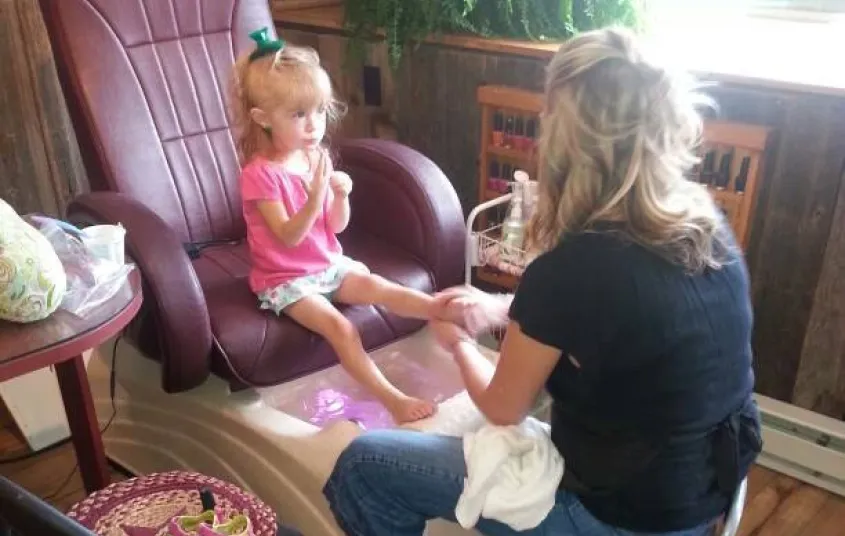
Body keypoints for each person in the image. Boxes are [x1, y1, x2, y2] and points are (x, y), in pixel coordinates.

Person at [322, 27, 763, 536]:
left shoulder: (573, 268)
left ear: (563, 139)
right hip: (711, 494)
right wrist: (499, 305)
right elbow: (617, 313)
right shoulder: (704, 220)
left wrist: (458, 342)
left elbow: (502, 408)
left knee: (364, 465)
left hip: (622, 517)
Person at [229, 28, 463, 424]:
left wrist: (340, 197)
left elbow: (335, 229)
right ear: (262, 119)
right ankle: (393, 400)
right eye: (298, 114)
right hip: (285, 279)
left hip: (326, 264)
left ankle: (438, 308)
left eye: (319, 111)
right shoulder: (260, 175)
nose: (313, 124)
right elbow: (288, 236)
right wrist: (318, 194)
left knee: (380, 286)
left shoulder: (313, 157)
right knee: (341, 328)